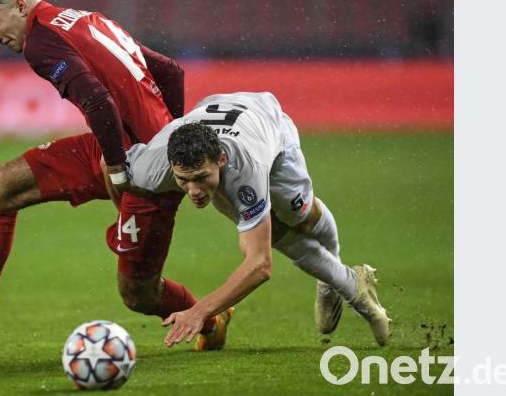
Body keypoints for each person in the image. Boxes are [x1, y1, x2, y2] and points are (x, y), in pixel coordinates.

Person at [0, 0, 230, 353]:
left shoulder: (41, 42)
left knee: (138, 293)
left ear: (21, 6)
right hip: (119, 147)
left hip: (141, 169)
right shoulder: (86, 19)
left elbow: (96, 101)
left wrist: (127, 166)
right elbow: (169, 70)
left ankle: (209, 316)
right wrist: (167, 138)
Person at [111, 91, 391, 347]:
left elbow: (260, 265)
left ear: (220, 159)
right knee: (277, 234)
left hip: (272, 130)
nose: (193, 192)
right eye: (183, 180)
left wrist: (200, 311)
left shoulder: (244, 168)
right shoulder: (151, 164)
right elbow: (109, 163)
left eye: (201, 178)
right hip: (219, 116)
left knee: (301, 217)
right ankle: (353, 287)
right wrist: (120, 214)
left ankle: (333, 278)